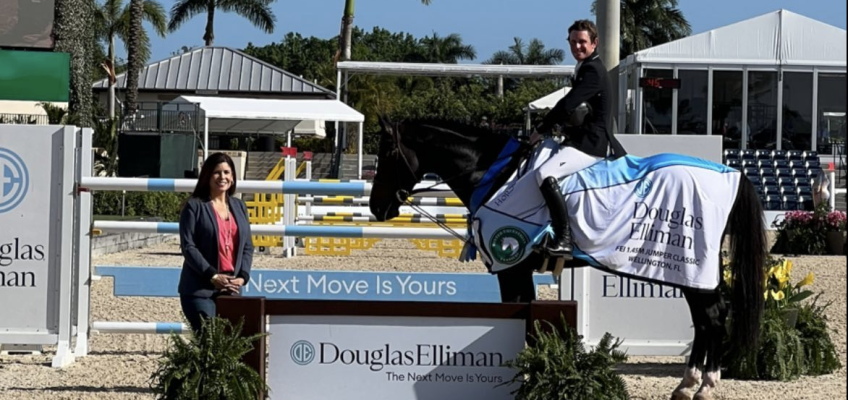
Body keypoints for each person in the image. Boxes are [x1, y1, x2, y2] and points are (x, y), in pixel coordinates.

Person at [531, 19, 627, 258]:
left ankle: (563, 238)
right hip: (580, 139)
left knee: (544, 173)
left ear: (594, 43)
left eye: (582, 42)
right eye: (573, 42)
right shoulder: (584, 67)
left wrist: (540, 129)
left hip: (591, 145)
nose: (577, 47)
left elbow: (568, 104)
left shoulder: (592, 71)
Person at [178, 152, 254, 333]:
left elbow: (247, 247)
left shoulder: (239, 206)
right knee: (209, 340)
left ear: (233, 178)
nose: (223, 177)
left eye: (227, 172)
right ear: (207, 176)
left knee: (230, 345)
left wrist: (243, 277)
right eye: (217, 172)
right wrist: (213, 276)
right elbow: (188, 247)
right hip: (200, 289)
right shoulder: (194, 206)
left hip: (232, 289)